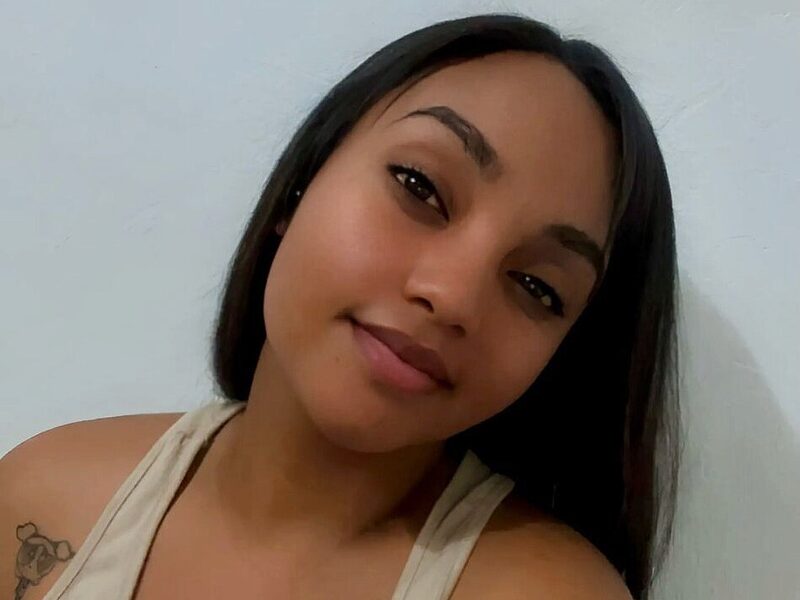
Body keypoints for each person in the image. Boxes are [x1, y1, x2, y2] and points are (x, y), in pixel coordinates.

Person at [0, 12, 680, 600]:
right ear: (300, 184)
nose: (452, 295)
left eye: (537, 286)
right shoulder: (43, 498)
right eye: (419, 186)